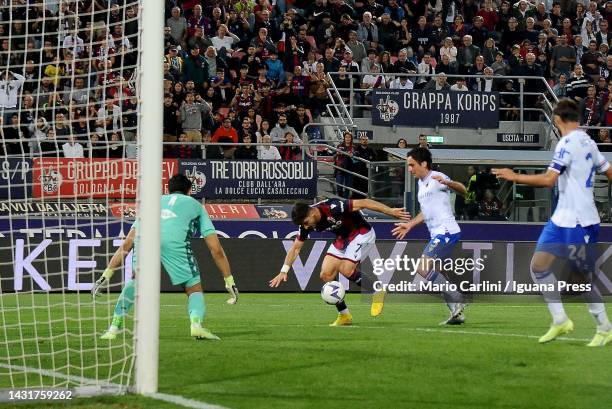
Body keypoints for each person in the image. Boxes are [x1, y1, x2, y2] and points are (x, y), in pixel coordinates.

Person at [493, 98, 612, 346]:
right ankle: (560, 320)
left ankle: (604, 327)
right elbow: (609, 171)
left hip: (580, 221)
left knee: (580, 280)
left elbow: (549, 180)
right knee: (538, 267)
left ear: (557, 119)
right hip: (561, 219)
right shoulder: (590, 142)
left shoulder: (566, 143)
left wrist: (514, 176)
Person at [93, 174, 239, 341]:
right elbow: (216, 249)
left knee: (137, 281)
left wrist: (105, 276)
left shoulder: (152, 203)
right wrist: (229, 280)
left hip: (146, 240)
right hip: (174, 243)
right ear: (190, 191)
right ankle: (196, 326)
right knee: (193, 288)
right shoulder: (196, 206)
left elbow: (126, 244)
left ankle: (113, 328)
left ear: (168, 190)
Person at [269, 199, 410, 326]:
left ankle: (377, 290)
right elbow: (295, 248)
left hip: (361, 233)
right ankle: (344, 316)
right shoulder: (306, 226)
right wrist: (284, 270)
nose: (305, 227)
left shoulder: (333, 207)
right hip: (343, 239)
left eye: (305, 223)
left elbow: (364, 202)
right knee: (326, 275)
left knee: (346, 270)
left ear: (312, 213)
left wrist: (390, 211)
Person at [392, 147, 468, 325]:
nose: (409, 169)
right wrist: (410, 225)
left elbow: (463, 189)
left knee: (422, 268)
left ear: (423, 163)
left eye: (412, 165)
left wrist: (448, 183)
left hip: (446, 231)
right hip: (437, 233)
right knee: (438, 272)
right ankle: (456, 313)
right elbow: (425, 212)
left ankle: (457, 297)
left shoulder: (436, 178)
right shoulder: (421, 184)